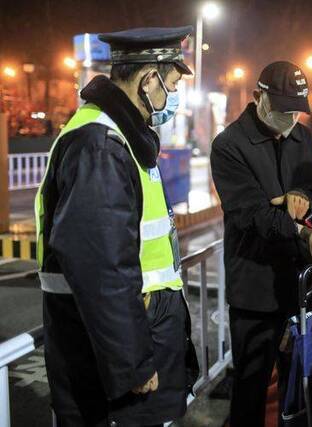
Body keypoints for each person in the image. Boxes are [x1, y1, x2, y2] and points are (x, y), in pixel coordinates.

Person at [35, 26, 199, 426]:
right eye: (173, 83)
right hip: (112, 373)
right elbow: (102, 267)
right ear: (149, 81)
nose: (174, 96)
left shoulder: (120, 137)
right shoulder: (99, 145)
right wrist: (132, 363)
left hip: (133, 348)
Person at [210, 61, 312, 426]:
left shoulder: (302, 136)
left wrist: (299, 194)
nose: (290, 118)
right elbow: (250, 214)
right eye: (281, 109)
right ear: (257, 97)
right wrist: (301, 231)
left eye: (296, 110)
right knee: (252, 384)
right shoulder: (230, 145)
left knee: (299, 382)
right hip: (255, 287)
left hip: (299, 282)